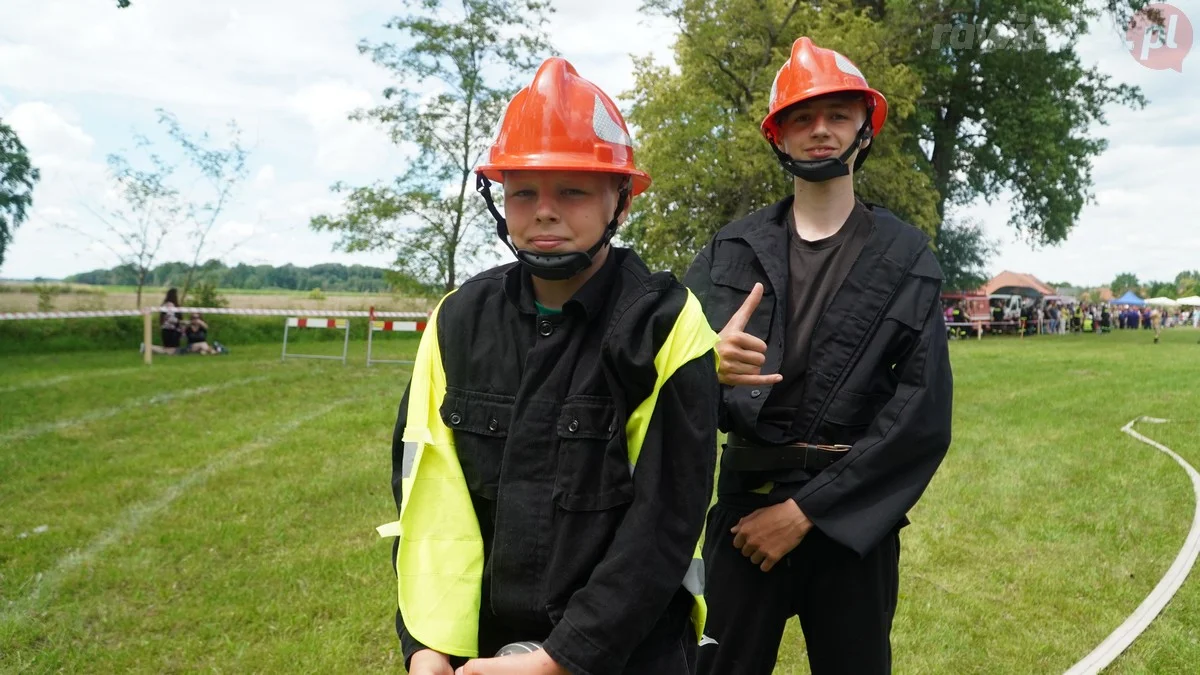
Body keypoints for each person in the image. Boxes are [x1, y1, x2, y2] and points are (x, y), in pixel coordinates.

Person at [378, 57, 720, 675]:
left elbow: (664, 522)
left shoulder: (666, 325)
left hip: (626, 654)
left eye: (573, 190)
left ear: (621, 199)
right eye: (524, 190)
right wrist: (427, 645)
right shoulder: (459, 319)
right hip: (478, 655)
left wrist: (562, 660)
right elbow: (427, 493)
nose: (544, 211)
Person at [683, 37, 954, 675]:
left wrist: (807, 511)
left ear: (865, 126)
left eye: (837, 114)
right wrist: (702, 363)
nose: (820, 131)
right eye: (801, 118)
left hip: (850, 522)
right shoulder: (731, 249)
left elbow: (921, 414)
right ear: (778, 136)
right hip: (745, 517)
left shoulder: (906, 257)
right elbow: (657, 374)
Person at [142, 288, 183, 355]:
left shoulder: (165, 304)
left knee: (168, 349)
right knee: (170, 350)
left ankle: (148, 348)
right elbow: (171, 318)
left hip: (166, 330)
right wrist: (180, 322)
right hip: (171, 330)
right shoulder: (170, 305)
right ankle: (147, 347)